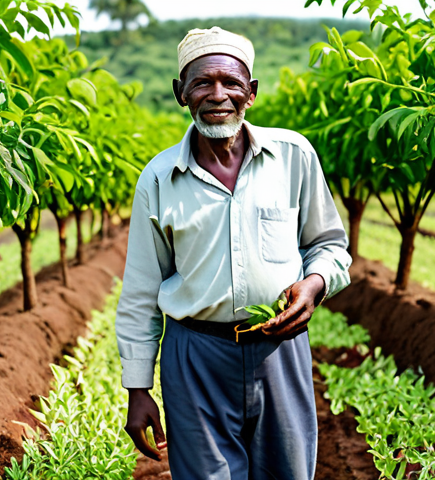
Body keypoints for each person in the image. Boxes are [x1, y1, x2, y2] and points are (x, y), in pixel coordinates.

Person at [115, 26, 352, 480]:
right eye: (202, 82)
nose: (217, 94)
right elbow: (142, 289)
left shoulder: (293, 156)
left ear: (252, 92)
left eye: (231, 82)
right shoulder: (160, 178)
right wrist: (137, 387)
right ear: (180, 92)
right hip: (194, 357)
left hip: (278, 351)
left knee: (288, 472)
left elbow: (330, 246)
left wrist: (315, 284)